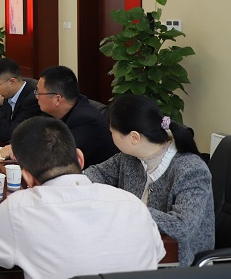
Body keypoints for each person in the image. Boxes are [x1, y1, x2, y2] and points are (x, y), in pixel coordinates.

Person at [0, 116, 165, 278]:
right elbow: (157, 255)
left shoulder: (18, 209)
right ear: (80, 159)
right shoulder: (132, 204)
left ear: (27, 177)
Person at [84, 95, 215, 266]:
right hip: (137, 248)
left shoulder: (191, 169)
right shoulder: (129, 158)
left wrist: (129, 208)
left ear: (134, 137)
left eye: (112, 132)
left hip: (178, 263)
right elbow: (95, 173)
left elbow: (182, 226)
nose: (111, 136)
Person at [14, 65, 117, 167]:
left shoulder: (87, 121)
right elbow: (32, 133)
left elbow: (58, 159)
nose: (36, 97)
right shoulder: (52, 112)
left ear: (57, 99)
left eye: (39, 92)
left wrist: (22, 149)